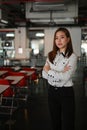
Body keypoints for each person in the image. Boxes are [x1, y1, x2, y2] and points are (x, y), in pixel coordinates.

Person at [42, 27, 77, 130]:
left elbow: (65, 77)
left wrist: (50, 71)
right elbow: (43, 74)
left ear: (68, 39)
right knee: (55, 121)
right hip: (52, 91)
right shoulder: (51, 55)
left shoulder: (72, 57)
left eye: (62, 37)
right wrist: (59, 73)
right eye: (56, 38)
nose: (59, 40)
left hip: (66, 92)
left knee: (68, 123)